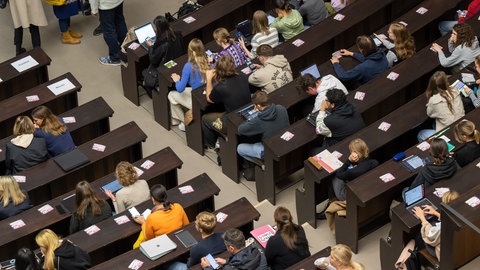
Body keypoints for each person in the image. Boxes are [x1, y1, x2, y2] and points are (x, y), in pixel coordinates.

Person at [237, 91, 290, 181]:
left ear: (257, 106)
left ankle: (264, 164)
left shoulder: (259, 120)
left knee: (240, 148)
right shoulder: (281, 108)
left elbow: (240, 129)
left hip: (269, 151)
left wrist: (254, 117)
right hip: (284, 144)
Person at [202, 56, 251, 150]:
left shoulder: (221, 87)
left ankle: (211, 145)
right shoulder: (242, 76)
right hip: (246, 113)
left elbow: (209, 98)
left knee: (205, 119)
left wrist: (208, 79)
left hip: (231, 121)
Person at [168, 38, 210, 130]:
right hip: (207, 94)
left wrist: (176, 80)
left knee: (171, 94)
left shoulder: (188, 66)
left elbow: (180, 88)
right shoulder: (208, 60)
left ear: (191, 51)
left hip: (197, 99)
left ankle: (184, 122)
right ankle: (177, 120)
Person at [132, 184, 189, 248]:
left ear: (153, 200)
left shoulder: (151, 218)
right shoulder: (178, 207)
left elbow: (149, 239)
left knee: (135, 246)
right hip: (178, 239)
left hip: (163, 245)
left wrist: (143, 223)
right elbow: (186, 225)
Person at [312, 88, 365, 154]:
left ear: (332, 104)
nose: (324, 101)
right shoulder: (353, 107)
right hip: (358, 141)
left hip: (341, 148)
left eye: (327, 100)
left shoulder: (330, 121)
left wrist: (322, 110)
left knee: (313, 151)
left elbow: (319, 129)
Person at [417, 71, 464, 142]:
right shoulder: (455, 90)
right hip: (462, 124)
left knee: (421, 134)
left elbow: (429, 114)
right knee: (434, 123)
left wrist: (430, 104)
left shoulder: (433, 101)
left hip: (449, 132)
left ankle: (433, 149)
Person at [201, 228, 268, 270]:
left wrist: (207, 267)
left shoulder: (229, 268)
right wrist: (227, 261)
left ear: (231, 248)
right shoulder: (259, 251)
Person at [90, 0, 128, 66]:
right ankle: (125, 49)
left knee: (109, 30)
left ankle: (115, 58)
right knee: (120, 23)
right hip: (118, 2)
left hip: (106, 6)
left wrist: (94, 9)